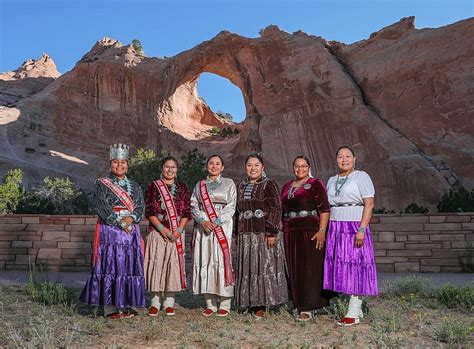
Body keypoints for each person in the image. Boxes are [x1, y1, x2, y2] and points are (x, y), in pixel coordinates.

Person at [80, 143, 146, 319]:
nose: (119, 165)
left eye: (123, 162)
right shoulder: (102, 184)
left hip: (131, 232)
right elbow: (101, 207)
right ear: (110, 163)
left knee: (126, 268)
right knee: (111, 266)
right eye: (116, 162)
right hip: (111, 231)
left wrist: (131, 219)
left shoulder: (135, 185)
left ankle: (124, 305)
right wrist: (120, 222)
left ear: (127, 164)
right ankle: (110, 309)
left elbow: (140, 207)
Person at [323, 145, 378, 326]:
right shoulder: (331, 180)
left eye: (348, 156)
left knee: (355, 265)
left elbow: (369, 204)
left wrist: (362, 229)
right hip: (335, 226)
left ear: (355, 159)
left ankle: (354, 311)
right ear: (336, 160)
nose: (344, 159)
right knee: (339, 266)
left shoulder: (361, 176)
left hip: (354, 226)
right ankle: (350, 306)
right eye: (340, 156)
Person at [234, 153, 288, 319]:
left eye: (256, 165)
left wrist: (272, 232)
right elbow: (238, 211)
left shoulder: (268, 184)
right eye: (249, 165)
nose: (253, 168)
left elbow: (276, 208)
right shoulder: (241, 185)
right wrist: (236, 232)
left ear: (263, 167)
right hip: (246, 235)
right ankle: (251, 302)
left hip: (263, 234)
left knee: (263, 267)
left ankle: (263, 304)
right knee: (249, 268)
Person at [281, 156, 332, 321]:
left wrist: (322, 230)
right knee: (295, 268)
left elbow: (324, 209)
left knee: (310, 269)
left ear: (308, 167)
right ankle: (298, 303)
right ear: (293, 168)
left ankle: (309, 307)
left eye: (303, 166)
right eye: (297, 166)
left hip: (310, 231)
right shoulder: (287, 186)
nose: (300, 169)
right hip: (290, 232)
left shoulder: (316, 183)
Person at [143, 156, 191, 316]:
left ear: (177, 170)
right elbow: (149, 210)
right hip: (157, 231)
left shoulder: (183, 187)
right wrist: (163, 230)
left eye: (173, 167)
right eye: (167, 166)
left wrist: (179, 230)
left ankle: (169, 301)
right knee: (156, 263)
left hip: (177, 232)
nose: (170, 170)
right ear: (162, 168)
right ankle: (155, 301)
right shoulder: (153, 186)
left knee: (173, 264)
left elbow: (186, 212)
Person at [191, 155, 237, 317]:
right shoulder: (200, 185)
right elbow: (193, 205)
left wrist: (217, 221)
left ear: (223, 167)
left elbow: (231, 206)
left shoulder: (229, 183)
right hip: (204, 228)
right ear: (207, 166)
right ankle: (210, 303)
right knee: (205, 258)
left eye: (218, 163)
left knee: (221, 259)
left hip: (222, 226)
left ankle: (225, 302)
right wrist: (203, 221)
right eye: (211, 163)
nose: (214, 166)